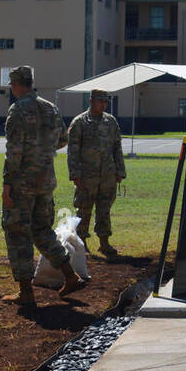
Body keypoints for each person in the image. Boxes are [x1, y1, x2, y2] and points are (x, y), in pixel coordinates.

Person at [1, 65, 85, 306]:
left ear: (16, 85)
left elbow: (14, 151)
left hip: (22, 182)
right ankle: (70, 276)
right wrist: (43, 153)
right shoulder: (50, 107)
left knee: (18, 232)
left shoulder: (17, 110)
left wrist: (7, 183)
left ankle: (25, 292)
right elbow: (63, 139)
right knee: (41, 229)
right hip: (46, 180)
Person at [67, 87, 126, 256]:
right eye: (100, 101)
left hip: (107, 175)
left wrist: (119, 171)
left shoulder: (111, 121)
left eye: (105, 101)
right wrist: (75, 174)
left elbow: (117, 147)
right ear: (91, 101)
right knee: (84, 210)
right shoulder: (80, 122)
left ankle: (104, 242)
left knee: (104, 209)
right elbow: (73, 150)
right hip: (87, 176)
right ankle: (81, 243)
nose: (103, 104)